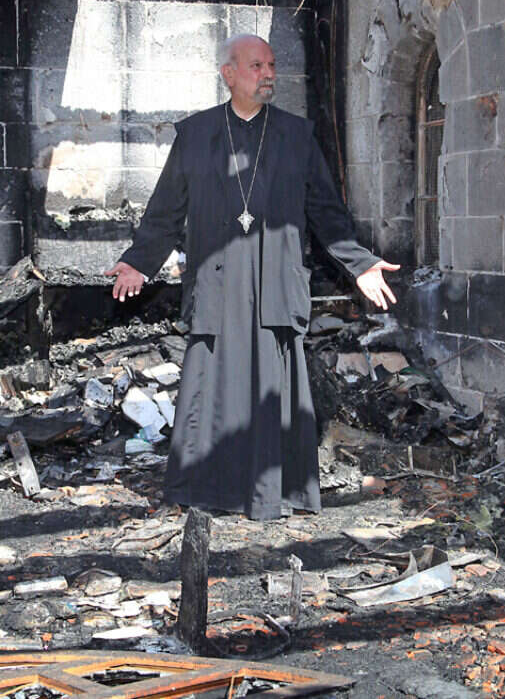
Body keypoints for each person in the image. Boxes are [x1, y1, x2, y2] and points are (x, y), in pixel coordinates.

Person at [105, 34, 398, 520]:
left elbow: (326, 211)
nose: (268, 75)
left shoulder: (296, 136)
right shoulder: (196, 135)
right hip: (217, 282)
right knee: (212, 386)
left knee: (271, 388)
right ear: (229, 74)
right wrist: (139, 261)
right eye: (257, 66)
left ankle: (272, 493)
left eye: (272, 66)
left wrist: (360, 263)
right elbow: (165, 210)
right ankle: (207, 489)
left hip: (274, 282)